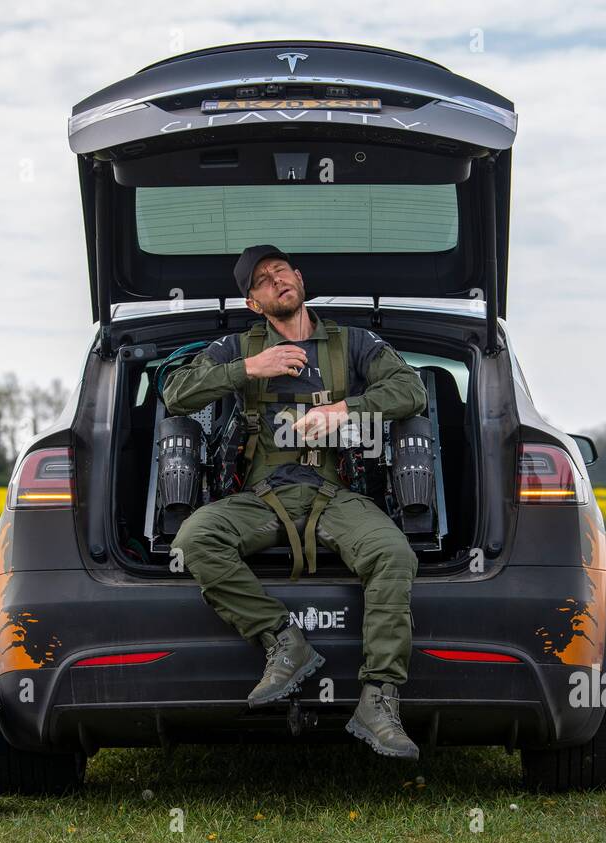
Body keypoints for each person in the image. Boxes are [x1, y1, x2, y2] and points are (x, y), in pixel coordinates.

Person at [162, 244, 429, 760]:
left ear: (299, 278)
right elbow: (176, 393)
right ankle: (284, 641)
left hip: (334, 494)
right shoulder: (239, 347)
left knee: (393, 554)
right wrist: (248, 368)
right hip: (263, 495)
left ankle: (378, 700)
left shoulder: (353, 343)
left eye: (281, 271)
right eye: (262, 280)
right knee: (196, 538)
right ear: (253, 304)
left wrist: (346, 409)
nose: (276, 281)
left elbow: (410, 389)